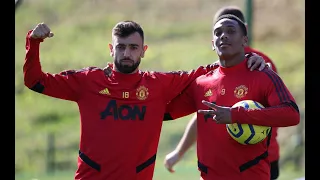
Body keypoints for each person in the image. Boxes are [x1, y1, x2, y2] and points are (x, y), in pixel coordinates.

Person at [23, 20, 266, 180]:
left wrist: (249, 61)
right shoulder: (88, 81)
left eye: (133, 47)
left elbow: (207, 72)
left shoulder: (157, 84)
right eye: (121, 47)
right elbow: (35, 81)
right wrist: (33, 43)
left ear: (143, 50)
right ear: (111, 49)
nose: (127, 53)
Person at [163, 14, 300, 180]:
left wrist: (235, 115)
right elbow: (165, 112)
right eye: (218, 32)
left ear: (244, 40)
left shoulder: (262, 75)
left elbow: (291, 114)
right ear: (213, 44)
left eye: (230, 31)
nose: (223, 35)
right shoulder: (201, 83)